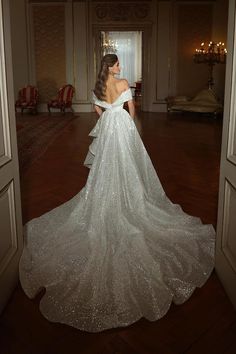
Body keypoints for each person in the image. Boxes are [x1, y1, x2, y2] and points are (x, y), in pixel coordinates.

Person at [19, 54, 215, 333]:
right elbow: (132, 109)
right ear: (111, 67)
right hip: (122, 127)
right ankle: (132, 198)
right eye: (117, 64)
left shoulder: (98, 88)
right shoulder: (123, 83)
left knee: (104, 166)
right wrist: (128, 121)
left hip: (108, 129)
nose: (121, 68)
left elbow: (98, 112)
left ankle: (106, 196)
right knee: (130, 165)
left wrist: (110, 116)